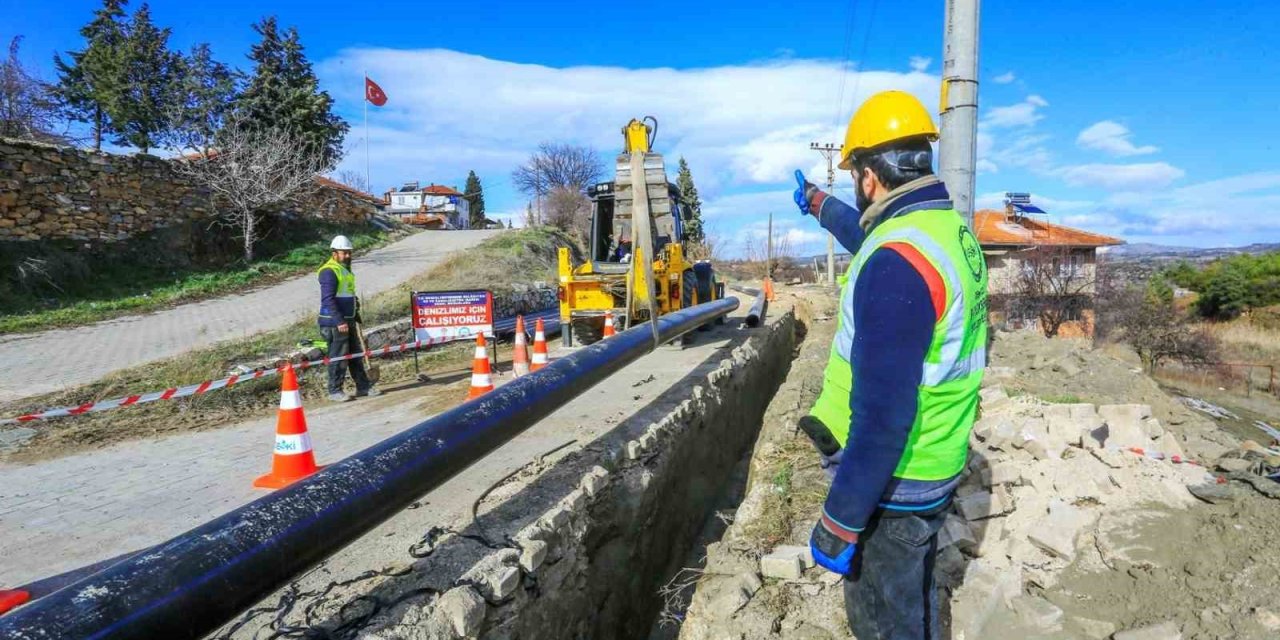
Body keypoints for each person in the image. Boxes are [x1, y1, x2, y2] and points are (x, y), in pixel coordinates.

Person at [794, 90, 989, 639]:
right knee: (914, 591)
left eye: (854, 174)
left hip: (898, 478)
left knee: (884, 617)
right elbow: (872, 235)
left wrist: (841, 520)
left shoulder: (895, 266)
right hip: (940, 454)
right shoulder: (948, 234)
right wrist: (818, 204)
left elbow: (882, 419)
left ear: (869, 178)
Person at [317, 235, 380, 402]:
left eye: (349, 253)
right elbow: (328, 299)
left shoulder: (345, 270)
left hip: (348, 319)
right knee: (338, 357)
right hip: (334, 323)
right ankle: (334, 390)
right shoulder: (329, 271)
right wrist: (339, 321)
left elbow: (347, 294)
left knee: (355, 355)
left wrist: (355, 312)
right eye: (344, 253)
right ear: (334, 253)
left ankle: (363, 387)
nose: (347, 256)